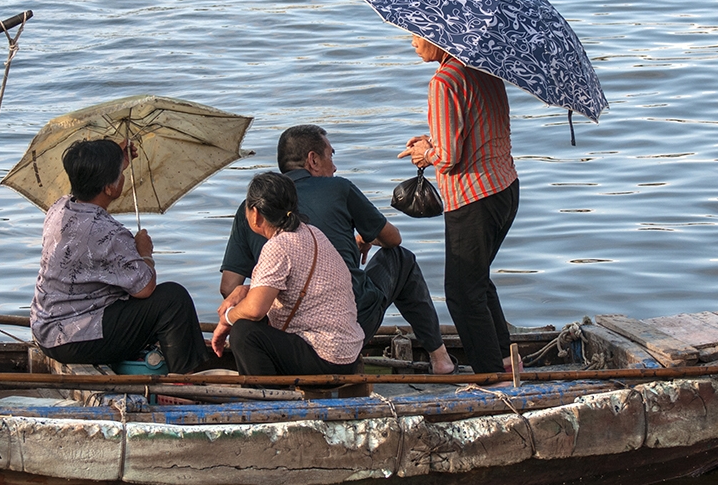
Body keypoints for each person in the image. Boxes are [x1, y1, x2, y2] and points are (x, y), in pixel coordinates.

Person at [218, 125, 454, 373]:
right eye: (331, 155)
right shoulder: (337, 190)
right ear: (313, 159)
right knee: (400, 258)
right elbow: (393, 239)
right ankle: (440, 358)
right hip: (352, 321)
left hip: (283, 328)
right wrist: (365, 235)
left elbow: (228, 287)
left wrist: (251, 294)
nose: (334, 166)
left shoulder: (251, 207)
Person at [31, 138, 210, 374]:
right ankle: (186, 383)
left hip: (45, 328)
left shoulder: (59, 208)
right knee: (173, 299)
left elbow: (93, 205)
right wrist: (144, 253)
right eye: (119, 174)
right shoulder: (111, 234)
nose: (122, 177)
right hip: (73, 340)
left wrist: (113, 161)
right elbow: (145, 288)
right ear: (109, 188)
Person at [398, 35, 519, 374]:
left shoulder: (443, 81)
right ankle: (506, 360)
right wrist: (431, 141)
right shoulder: (484, 70)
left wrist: (426, 153)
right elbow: (472, 130)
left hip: (473, 197)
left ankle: (490, 377)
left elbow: (449, 157)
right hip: (504, 188)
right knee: (477, 280)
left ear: (440, 37)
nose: (412, 41)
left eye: (418, 35)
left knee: (462, 293)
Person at [212, 172, 364, 376]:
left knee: (243, 332)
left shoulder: (278, 246)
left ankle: (267, 402)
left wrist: (227, 318)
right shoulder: (312, 232)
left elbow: (256, 309)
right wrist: (244, 289)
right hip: (347, 352)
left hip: (325, 356)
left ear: (255, 214)